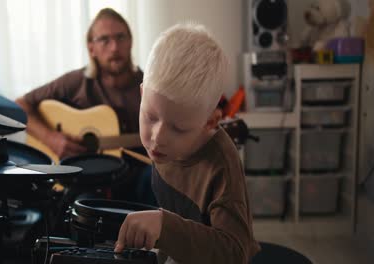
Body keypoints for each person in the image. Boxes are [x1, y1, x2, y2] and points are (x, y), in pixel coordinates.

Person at [114, 23, 260, 264]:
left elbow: (235, 253)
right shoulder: (164, 145)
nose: (157, 137)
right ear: (142, 95)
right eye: (150, 117)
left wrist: (165, 226)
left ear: (210, 122)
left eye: (178, 128)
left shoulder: (221, 166)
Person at [15, 8, 154, 204]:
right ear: (91, 49)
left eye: (121, 37)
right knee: (80, 204)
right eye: (104, 40)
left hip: (136, 180)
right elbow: (20, 104)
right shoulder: (76, 82)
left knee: (157, 179)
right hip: (88, 181)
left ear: (130, 41)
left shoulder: (149, 87)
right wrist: (52, 139)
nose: (114, 47)